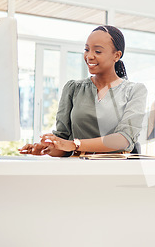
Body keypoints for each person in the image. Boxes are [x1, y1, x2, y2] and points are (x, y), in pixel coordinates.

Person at [19, 25, 147, 156]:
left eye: (98, 52)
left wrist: (75, 144)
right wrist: (47, 148)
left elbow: (124, 139)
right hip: (78, 169)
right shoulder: (73, 88)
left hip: (115, 170)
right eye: (87, 49)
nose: (89, 56)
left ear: (117, 55)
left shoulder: (134, 91)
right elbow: (63, 140)